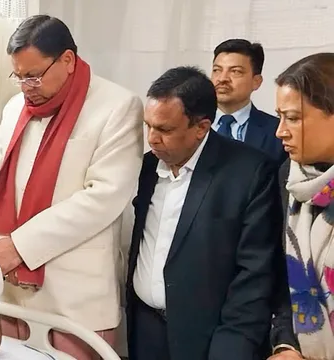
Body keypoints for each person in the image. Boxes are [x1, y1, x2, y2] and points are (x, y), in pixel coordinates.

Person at [0, 14, 144, 359]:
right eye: (18, 76)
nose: (25, 87)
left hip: (73, 295)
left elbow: (103, 198)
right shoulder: (16, 107)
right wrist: (1, 248)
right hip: (11, 288)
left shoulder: (117, 106)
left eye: (33, 75)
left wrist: (19, 247)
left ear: (67, 60)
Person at [126, 66, 283, 360]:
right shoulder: (146, 168)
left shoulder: (248, 173)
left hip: (209, 340)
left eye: (165, 130)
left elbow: (254, 277)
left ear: (201, 127)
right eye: (148, 126)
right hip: (145, 331)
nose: (152, 139)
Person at [268, 52, 334, 360]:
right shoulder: (290, 177)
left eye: (293, 118)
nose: (280, 130)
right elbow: (287, 281)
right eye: (280, 116)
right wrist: (287, 345)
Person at [211, 39, 287, 165]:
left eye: (235, 71)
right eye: (217, 70)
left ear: (256, 81)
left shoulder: (278, 132)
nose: (222, 78)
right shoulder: (192, 125)